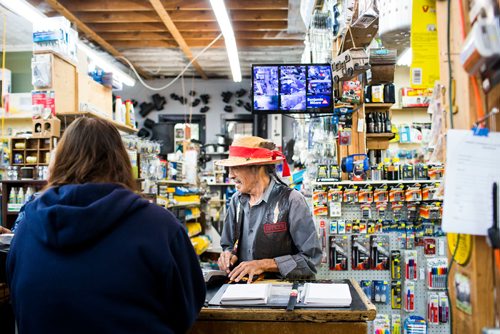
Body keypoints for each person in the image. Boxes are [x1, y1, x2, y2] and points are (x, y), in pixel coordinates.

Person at [6, 117, 205, 334]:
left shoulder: (26, 229)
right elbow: (187, 309)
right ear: (120, 162)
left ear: (59, 162)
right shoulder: (160, 226)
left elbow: (19, 304)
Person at [216, 136, 321, 283]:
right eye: (229, 168)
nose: (231, 175)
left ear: (258, 167)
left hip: (282, 292)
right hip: (242, 291)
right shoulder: (236, 201)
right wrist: (228, 255)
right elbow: (228, 245)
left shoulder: (292, 200)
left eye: (236, 167)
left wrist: (264, 265)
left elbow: (311, 259)